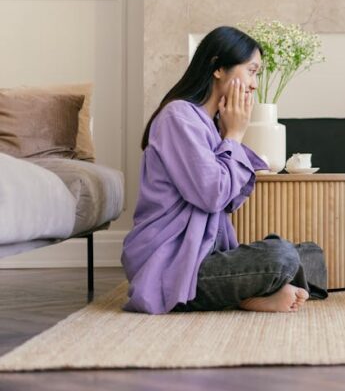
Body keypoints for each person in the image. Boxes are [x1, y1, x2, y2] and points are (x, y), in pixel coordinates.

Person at [122, 26, 320, 314]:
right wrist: (236, 136)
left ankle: (256, 290)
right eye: (251, 71)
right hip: (176, 265)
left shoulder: (212, 125)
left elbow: (231, 200)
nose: (254, 84)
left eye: (257, 74)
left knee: (311, 253)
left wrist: (229, 134)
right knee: (283, 256)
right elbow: (213, 195)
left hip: (210, 257)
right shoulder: (178, 117)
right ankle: (248, 295)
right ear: (218, 67)